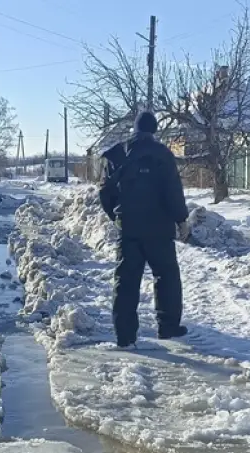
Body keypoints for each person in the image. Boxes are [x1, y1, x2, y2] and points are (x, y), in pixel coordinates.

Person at [99, 110, 190, 348]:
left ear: (135, 129)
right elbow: (173, 192)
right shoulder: (163, 155)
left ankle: (124, 335)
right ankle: (168, 326)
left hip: (128, 229)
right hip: (159, 230)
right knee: (166, 276)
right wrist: (181, 219)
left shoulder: (117, 154)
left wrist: (117, 216)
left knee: (126, 281)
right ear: (154, 130)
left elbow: (105, 191)